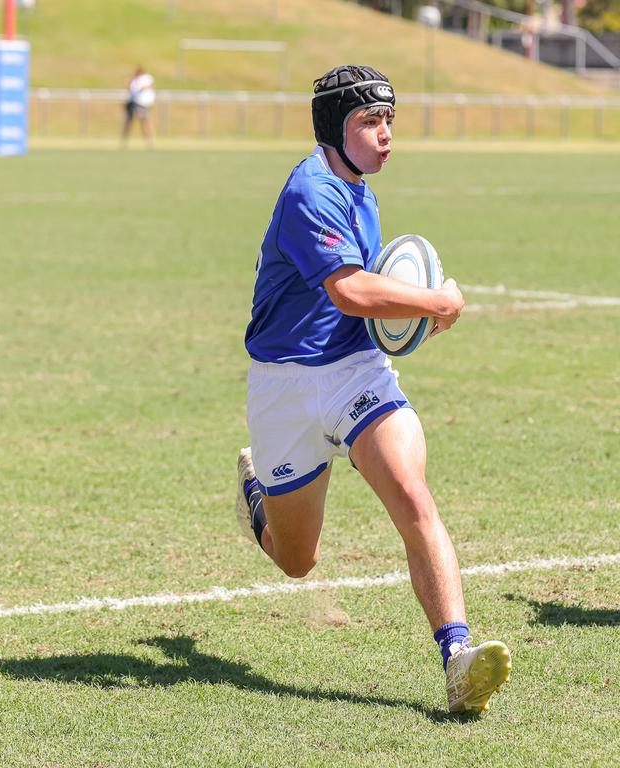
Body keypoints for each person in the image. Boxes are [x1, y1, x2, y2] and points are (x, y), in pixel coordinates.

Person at [234, 65, 511, 714]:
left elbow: (365, 304)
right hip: (283, 386)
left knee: (412, 493)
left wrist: (406, 326)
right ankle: (255, 492)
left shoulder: (358, 184)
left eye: (390, 121)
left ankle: (457, 659)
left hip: (356, 373)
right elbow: (351, 290)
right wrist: (432, 302)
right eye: (370, 122)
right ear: (335, 128)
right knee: (296, 560)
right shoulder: (312, 191)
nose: (386, 135)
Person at [122, 66, 155, 147]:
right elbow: (130, 88)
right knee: (130, 122)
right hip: (135, 103)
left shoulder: (146, 78)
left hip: (143, 104)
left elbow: (147, 86)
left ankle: (149, 142)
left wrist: (141, 88)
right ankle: (124, 142)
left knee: (145, 122)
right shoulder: (134, 80)